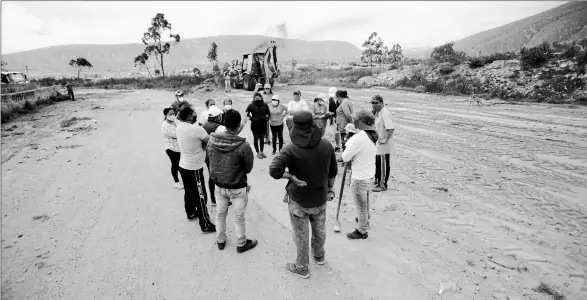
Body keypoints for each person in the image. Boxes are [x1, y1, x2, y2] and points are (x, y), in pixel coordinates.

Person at [269, 110, 338, 279]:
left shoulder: (290, 148)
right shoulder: (326, 145)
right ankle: (319, 256)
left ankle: (302, 267)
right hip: (320, 199)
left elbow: (274, 170)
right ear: (313, 124)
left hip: (298, 201)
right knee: (319, 230)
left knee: (301, 235)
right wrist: (330, 189)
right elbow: (332, 172)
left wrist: (291, 176)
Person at [207, 109, 258, 253]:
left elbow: (208, 160)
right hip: (237, 186)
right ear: (237, 126)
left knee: (220, 213)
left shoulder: (212, 140)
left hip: (219, 184)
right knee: (239, 216)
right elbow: (248, 168)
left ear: (224, 122)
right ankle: (241, 243)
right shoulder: (243, 146)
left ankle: (220, 240)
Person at [175, 105, 216, 233]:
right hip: (194, 169)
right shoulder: (197, 129)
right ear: (188, 116)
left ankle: (191, 212)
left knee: (189, 192)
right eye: (193, 114)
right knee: (201, 196)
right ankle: (205, 224)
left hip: (183, 166)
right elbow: (211, 141)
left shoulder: (179, 126)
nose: (195, 115)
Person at [341, 108, 379, 240]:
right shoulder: (373, 134)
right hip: (369, 174)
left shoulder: (360, 138)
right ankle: (365, 218)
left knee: (361, 206)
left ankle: (362, 231)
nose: (353, 120)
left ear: (361, 121)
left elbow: (345, 157)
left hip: (360, 177)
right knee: (366, 201)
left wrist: (349, 140)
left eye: (355, 119)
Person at [202, 105, 228, 207]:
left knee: (211, 176)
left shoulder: (204, 125)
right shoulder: (220, 127)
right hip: (217, 155)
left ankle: (213, 199)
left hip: (207, 155)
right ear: (217, 116)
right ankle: (220, 199)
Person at [371, 95, 395, 192]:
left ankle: (383, 184)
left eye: (375, 103)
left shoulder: (385, 113)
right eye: (372, 103)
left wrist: (385, 139)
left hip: (384, 145)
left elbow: (391, 128)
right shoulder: (378, 113)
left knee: (383, 165)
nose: (373, 105)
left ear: (381, 103)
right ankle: (377, 181)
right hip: (379, 143)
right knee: (378, 164)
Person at [162, 107, 183, 189]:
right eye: (170, 114)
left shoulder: (174, 122)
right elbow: (177, 135)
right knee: (175, 165)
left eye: (173, 113)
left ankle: (180, 180)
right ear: (165, 115)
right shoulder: (165, 126)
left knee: (179, 165)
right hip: (171, 149)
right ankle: (176, 182)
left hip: (178, 148)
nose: (172, 115)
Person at [246, 93, 270, 159]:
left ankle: (261, 152)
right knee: (256, 140)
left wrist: (267, 118)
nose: (258, 99)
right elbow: (247, 114)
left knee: (262, 140)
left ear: (261, 98)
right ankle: (258, 153)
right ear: (254, 99)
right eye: (256, 98)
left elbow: (268, 113)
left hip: (263, 125)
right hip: (255, 125)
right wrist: (251, 118)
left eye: (259, 98)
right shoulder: (251, 105)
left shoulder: (265, 105)